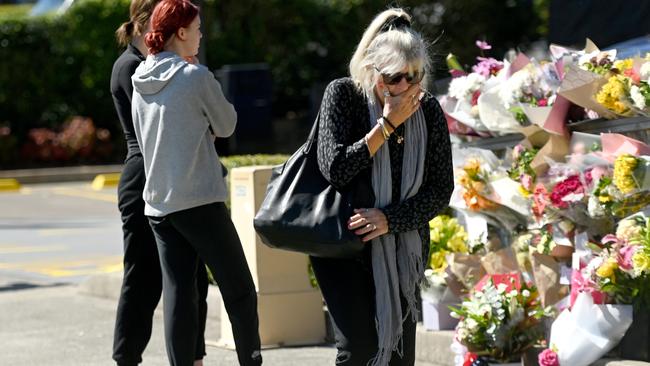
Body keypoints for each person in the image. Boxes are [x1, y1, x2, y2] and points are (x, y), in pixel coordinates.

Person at [310, 8, 454, 366]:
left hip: (401, 247)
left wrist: (390, 219)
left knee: (399, 357)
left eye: (414, 76)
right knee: (358, 351)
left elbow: (440, 189)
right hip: (344, 247)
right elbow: (336, 169)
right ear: (372, 70)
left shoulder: (429, 110)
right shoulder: (342, 95)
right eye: (394, 78)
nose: (404, 87)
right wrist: (386, 126)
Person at [130, 1, 262, 365]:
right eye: (198, 28)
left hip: (159, 205)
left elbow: (144, 140)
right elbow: (227, 125)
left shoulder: (139, 79)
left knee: (179, 296)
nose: (201, 34)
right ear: (181, 32)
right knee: (239, 291)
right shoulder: (196, 76)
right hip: (199, 201)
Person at [110, 1, 210, 365]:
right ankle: (127, 359)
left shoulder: (167, 67)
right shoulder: (131, 68)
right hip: (145, 180)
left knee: (192, 276)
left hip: (172, 176)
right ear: (148, 21)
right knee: (144, 278)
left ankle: (193, 358)